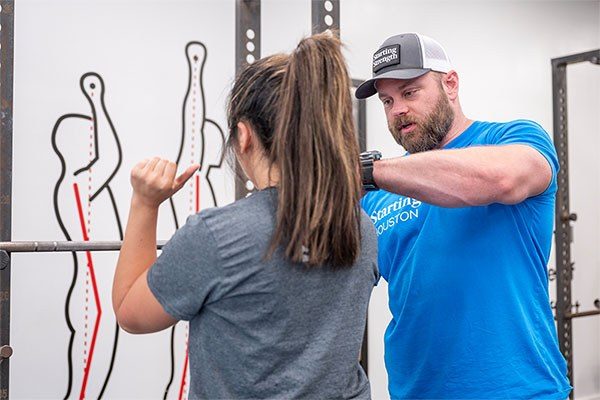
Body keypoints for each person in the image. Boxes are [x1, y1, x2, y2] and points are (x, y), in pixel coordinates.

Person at [111, 32, 378, 399]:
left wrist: (145, 203)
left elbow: (130, 312)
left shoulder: (217, 236)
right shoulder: (360, 226)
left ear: (244, 135)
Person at [356, 33, 571, 399]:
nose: (398, 110)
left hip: (521, 391)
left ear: (450, 84)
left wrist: (366, 172)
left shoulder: (513, 139)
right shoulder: (377, 195)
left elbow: (501, 179)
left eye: (410, 93)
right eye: (387, 101)